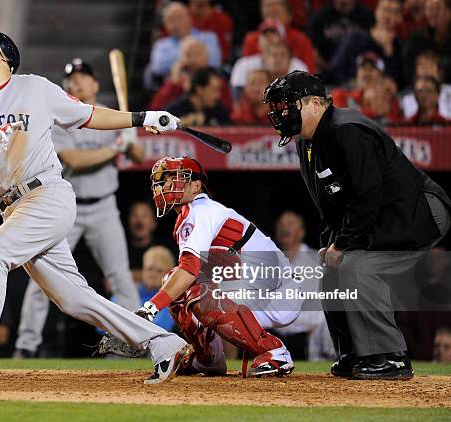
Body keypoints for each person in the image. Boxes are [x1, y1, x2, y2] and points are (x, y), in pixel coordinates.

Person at [0, 25, 190, 386]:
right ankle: (163, 342)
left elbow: (88, 115)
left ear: (6, 52)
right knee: (73, 299)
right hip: (13, 206)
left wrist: (144, 118)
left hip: (47, 194)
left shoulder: (36, 88)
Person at [263, 70, 451, 379]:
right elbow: (330, 205)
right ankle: (356, 353)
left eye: (287, 105)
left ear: (313, 103)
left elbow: (368, 197)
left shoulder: (346, 130)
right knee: (332, 269)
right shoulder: (307, 143)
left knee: (357, 266)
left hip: (421, 212)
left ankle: (390, 356)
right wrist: (331, 244)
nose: (281, 113)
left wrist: (344, 244)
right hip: (385, 214)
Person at [13, 59, 142, 358]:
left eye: (83, 77)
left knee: (121, 277)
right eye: (72, 79)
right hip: (67, 208)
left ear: (95, 84)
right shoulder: (58, 117)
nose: (77, 83)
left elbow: (139, 156)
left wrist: (131, 140)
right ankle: (26, 345)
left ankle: (137, 342)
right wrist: (114, 149)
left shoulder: (111, 116)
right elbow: (74, 160)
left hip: (104, 207)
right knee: (42, 277)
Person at [134, 156, 301, 377]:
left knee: (190, 288)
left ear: (195, 186)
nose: (165, 185)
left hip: (278, 292)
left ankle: (274, 351)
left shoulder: (200, 210)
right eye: (162, 180)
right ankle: (209, 359)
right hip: (256, 286)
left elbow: (189, 268)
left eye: (173, 178)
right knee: (179, 285)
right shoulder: (193, 213)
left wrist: (150, 308)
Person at [271, 211, 335, 361]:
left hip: (306, 316)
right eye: (281, 225)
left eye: (290, 224)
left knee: (326, 316)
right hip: (277, 317)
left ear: (301, 232)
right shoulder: (271, 259)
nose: (285, 228)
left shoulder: (313, 260)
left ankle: (331, 359)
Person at [327, 0, 404, 87]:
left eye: (393, 12)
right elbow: (336, 68)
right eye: (384, 10)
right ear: (376, 11)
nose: (387, 16)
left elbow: (397, 83)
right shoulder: (355, 38)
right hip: (351, 91)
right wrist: (350, 85)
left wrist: (389, 53)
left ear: (400, 17)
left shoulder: (399, 47)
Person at [149, 37, 232, 111]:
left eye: (198, 54)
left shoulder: (216, 82)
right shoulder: (175, 83)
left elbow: (228, 110)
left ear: (207, 57)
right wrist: (174, 83)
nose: (194, 59)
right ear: (182, 59)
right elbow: (155, 109)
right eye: (189, 55)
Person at [231, 21, 308, 98]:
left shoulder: (298, 66)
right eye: (265, 35)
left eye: (273, 34)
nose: (269, 38)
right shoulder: (245, 64)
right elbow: (237, 95)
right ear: (259, 42)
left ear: (282, 40)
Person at [149, 2, 221, 80]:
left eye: (179, 17)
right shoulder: (161, 45)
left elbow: (214, 62)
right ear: (166, 25)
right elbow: (158, 67)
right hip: (174, 85)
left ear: (189, 18)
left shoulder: (208, 37)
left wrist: (182, 62)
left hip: (204, 84)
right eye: (171, 20)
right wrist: (195, 57)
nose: (176, 23)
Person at [241, 1, 316, 72]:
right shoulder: (251, 42)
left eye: (277, 4)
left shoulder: (301, 41)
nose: (272, 9)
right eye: (268, 5)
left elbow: (310, 76)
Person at [307, 0, 375, 72]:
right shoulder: (319, 17)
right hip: (327, 73)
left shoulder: (368, 17)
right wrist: (330, 71)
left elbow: (374, 49)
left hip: (361, 72)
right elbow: (312, 51)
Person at [403, 0, 451, 87]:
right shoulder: (417, 37)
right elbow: (407, 68)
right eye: (429, 8)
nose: (432, 12)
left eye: (437, 8)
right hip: (420, 88)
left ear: (449, 12)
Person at [165, 67, 231, 126]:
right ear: (199, 89)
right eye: (214, 90)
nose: (218, 96)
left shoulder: (219, 111)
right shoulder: (174, 111)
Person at [401, 50, 451, 119]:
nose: (426, 70)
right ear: (415, 71)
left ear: (439, 70)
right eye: (422, 66)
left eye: (430, 65)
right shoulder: (407, 98)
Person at [139, 246, 176, 331]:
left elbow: (157, 330)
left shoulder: (171, 303)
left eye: (159, 271)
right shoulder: (128, 292)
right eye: (149, 269)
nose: (153, 274)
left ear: (169, 275)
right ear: (143, 270)